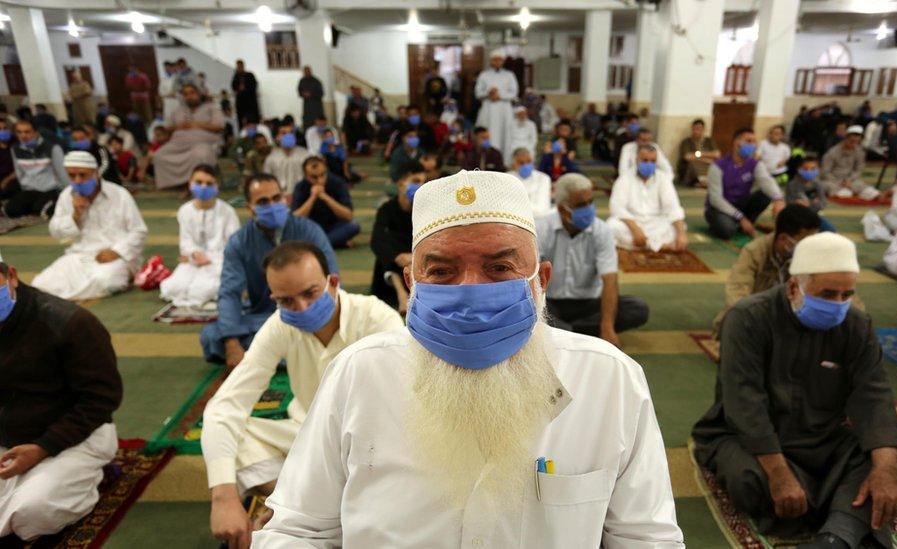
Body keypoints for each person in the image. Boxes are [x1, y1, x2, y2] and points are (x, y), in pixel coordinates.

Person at [252, 170, 684, 547]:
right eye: (441, 271)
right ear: (411, 281)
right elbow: (299, 530)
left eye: (499, 268)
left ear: (541, 279)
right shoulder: (359, 374)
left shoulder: (610, 381)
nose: (470, 291)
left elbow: (647, 539)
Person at [693, 232, 897, 549]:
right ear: (794, 286)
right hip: (750, 437)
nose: (838, 304)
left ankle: (834, 539)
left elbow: (874, 397)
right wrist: (779, 473)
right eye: (828, 294)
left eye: (846, 294)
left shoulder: (856, 325)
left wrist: (885, 469)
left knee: (888, 465)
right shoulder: (747, 318)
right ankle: (847, 519)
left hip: (822, 437)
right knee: (751, 482)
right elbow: (744, 404)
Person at [204, 242, 402, 548]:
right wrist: (223, 495)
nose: (302, 308)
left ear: (333, 283)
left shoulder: (377, 319)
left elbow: (397, 412)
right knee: (230, 429)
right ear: (275, 300)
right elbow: (225, 407)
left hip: (370, 443)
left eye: (310, 293)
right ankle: (295, 503)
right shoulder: (279, 326)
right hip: (305, 437)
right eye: (287, 301)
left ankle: (291, 508)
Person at [0, 256, 122, 541]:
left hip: (74, 439)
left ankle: (92, 478)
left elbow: (101, 400)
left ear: (12, 277)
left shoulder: (70, 323)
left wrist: (43, 447)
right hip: (8, 436)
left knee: (31, 512)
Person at [199, 173, 339, 366]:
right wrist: (231, 343)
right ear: (250, 208)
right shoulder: (239, 242)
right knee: (213, 335)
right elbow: (230, 293)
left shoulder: (309, 230)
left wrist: (318, 318)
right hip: (265, 317)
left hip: (310, 313)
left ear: (285, 199)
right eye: (263, 202)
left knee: (344, 327)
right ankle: (308, 355)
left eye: (276, 198)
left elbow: (332, 280)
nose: (273, 205)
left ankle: (269, 357)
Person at [539, 173, 650, 346]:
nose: (588, 209)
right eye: (581, 205)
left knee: (637, 308)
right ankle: (576, 333)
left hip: (589, 304)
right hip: (550, 303)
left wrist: (607, 327)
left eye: (590, 202)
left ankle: (565, 333)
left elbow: (610, 279)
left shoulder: (602, 231)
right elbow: (529, 276)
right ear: (562, 209)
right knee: (530, 311)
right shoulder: (542, 229)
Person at [32, 151, 147, 300]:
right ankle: (73, 294)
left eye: (82, 175)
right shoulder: (67, 196)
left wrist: (116, 251)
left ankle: (66, 296)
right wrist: (75, 215)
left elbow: (139, 232)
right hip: (79, 257)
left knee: (104, 281)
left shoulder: (119, 194)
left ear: (96, 173)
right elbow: (56, 233)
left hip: (116, 257)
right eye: (72, 176)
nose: (77, 180)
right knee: (40, 283)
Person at [711, 204, 822, 335]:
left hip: (790, 315)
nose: (810, 246)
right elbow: (737, 292)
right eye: (806, 242)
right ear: (784, 239)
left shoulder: (810, 255)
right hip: (756, 313)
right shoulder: (754, 251)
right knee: (732, 327)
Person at [159, 164, 240, 307]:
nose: (203, 187)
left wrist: (210, 258)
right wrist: (194, 253)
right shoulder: (185, 211)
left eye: (209, 183)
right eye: (199, 182)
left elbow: (234, 247)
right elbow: (186, 242)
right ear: (190, 184)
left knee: (200, 291)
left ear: (217, 186)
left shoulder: (227, 212)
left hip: (219, 261)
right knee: (171, 288)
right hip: (193, 260)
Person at [705, 128, 785, 240]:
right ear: (736, 143)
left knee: (765, 194)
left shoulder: (755, 164)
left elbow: (766, 181)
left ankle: (745, 222)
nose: (752, 145)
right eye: (748, 141)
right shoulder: (718, 166)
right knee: (727, 230)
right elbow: (715, 199)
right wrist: (740, 217)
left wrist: (778, 199)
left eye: (754, 141)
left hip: (740, 204)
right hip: (719, 208)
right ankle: (736, 223)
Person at [608, 144, 688, 252]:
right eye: (645, 160)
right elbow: (617, 207)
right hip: (631, 222)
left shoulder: (663, 179)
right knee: (610, 227)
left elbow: (673, 207)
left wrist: (681, 235)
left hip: (655, 223)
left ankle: (639, 245)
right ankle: (659, 246)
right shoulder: (625, 178)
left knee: (679, 227)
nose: (649, 164)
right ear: (637, 160)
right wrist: (635, 229)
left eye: (652, 161)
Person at [369, 162, 426, 313]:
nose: (420, 186)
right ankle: (402, 295)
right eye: (416, 181)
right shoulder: (387, 209)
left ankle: (410, 295)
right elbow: (376, 239)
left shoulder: (426, 209)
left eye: (423, 182)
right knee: (388, 242)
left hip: (418, 261)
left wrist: (414, 256)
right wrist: (397, 256)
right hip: (394, 265)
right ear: (401, 185)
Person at [154, 83, 224, 190]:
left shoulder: (211, 108)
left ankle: (194, 183)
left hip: (202, 142)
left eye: (192, 93)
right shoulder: (178, 110)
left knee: (200, 155)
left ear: (199, 94)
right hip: (178, 143)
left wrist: (197, 125)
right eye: (186, 94)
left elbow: (219, 126)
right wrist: (179, 126)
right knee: (159, 155)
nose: (189, 96)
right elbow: (167, 128)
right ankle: (173, 184)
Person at [3, 120, 69, 219]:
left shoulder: (52, 148)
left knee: (42, 210)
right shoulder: (15, 149)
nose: (23, 136)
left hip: (50, 189)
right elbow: (19, 172)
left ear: (36, 132)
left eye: (27, 132)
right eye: (19, 132)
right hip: (30, 189)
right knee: (10, 211)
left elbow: (62, 173)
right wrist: (25, 187)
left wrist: (67, 193)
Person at [291, 157, 360, 249]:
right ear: (306, 176)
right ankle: (332, 243)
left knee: (354, 226)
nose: (320, 180)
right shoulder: (300, 187)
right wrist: (312, 198)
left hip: (334, 227)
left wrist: (326, 198)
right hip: (311, 228)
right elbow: (295, 220)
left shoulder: (337, 183)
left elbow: (348, 215)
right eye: (314, 177)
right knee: (293, 232)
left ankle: (316, 245)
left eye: (323, 175)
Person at [474, 49, 518, 159]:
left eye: (500, 60)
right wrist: (488, 93)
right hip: (488, 108)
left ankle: (503, 160)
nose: (497, 62)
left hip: (504, 109)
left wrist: (500, 95)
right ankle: (486, 159)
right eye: (495, 60)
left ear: (503, 61)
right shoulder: (484, 75)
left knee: (505, 134)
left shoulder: (509, 75)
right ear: (491, 61)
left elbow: (514, 93)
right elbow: (478, 93)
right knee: (487, 133)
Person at [819, 125, 878, 200]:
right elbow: (825, 172)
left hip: (850, 180)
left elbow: (858, 170)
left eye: (857, 142)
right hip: (832, 180)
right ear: (846, 138)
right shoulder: (832, 153)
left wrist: (849, 180)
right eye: (852, 141)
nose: (854, 144)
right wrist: (840, 182)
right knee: (844, 194)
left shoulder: (859, 152)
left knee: (871, 192)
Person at [786, 156, 835, 232]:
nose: (809, 171)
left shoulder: (818, 184)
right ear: (799, 169)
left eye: (813, 169)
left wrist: (809, 205)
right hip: (796, 218)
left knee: (831, 230)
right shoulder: (792, 185)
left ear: (818, 169)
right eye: (806, 169)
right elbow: (789, 204)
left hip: (813, 216)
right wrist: (800, 204)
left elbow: (823, 204)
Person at [263, 124, 312, 195]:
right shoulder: (271, 158)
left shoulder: (305, 155)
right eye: (284, 133)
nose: (288, 136)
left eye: (291, 133)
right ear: (277, 137)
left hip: (302, 195)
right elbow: (267, 181)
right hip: (280, 197)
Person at [508, 147, 552, 217]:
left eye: (528, 161)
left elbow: (542, 208)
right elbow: (507, 207)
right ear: (514, 164)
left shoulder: (544, 178)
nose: (525, 165)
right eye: (521, 163)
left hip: (539, 220)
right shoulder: (507, 178)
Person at [677, 119, 721, 186]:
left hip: (706, 166)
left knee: (716, 165)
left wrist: (699, 154)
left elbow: (717, 154)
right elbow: (688, 156)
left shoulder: (709, 141)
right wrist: (706, 159)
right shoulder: (686, 141)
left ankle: (707, 182)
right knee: (693, 164)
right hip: (693, 166)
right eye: (694, 129)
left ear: (703, 129)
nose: (696, 131)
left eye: (698, 129)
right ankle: (701, 182)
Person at [232, 60, 260, 128]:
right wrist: (239, 88)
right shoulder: (236, 76)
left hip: (251, 103)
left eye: (240, 66)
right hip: (241, 104)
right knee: (242, 122)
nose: (239, 67)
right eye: (238, 66)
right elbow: (233, 86)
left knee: (253, 120)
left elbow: (254, 85)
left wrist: (245, 88)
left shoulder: (250, 75)